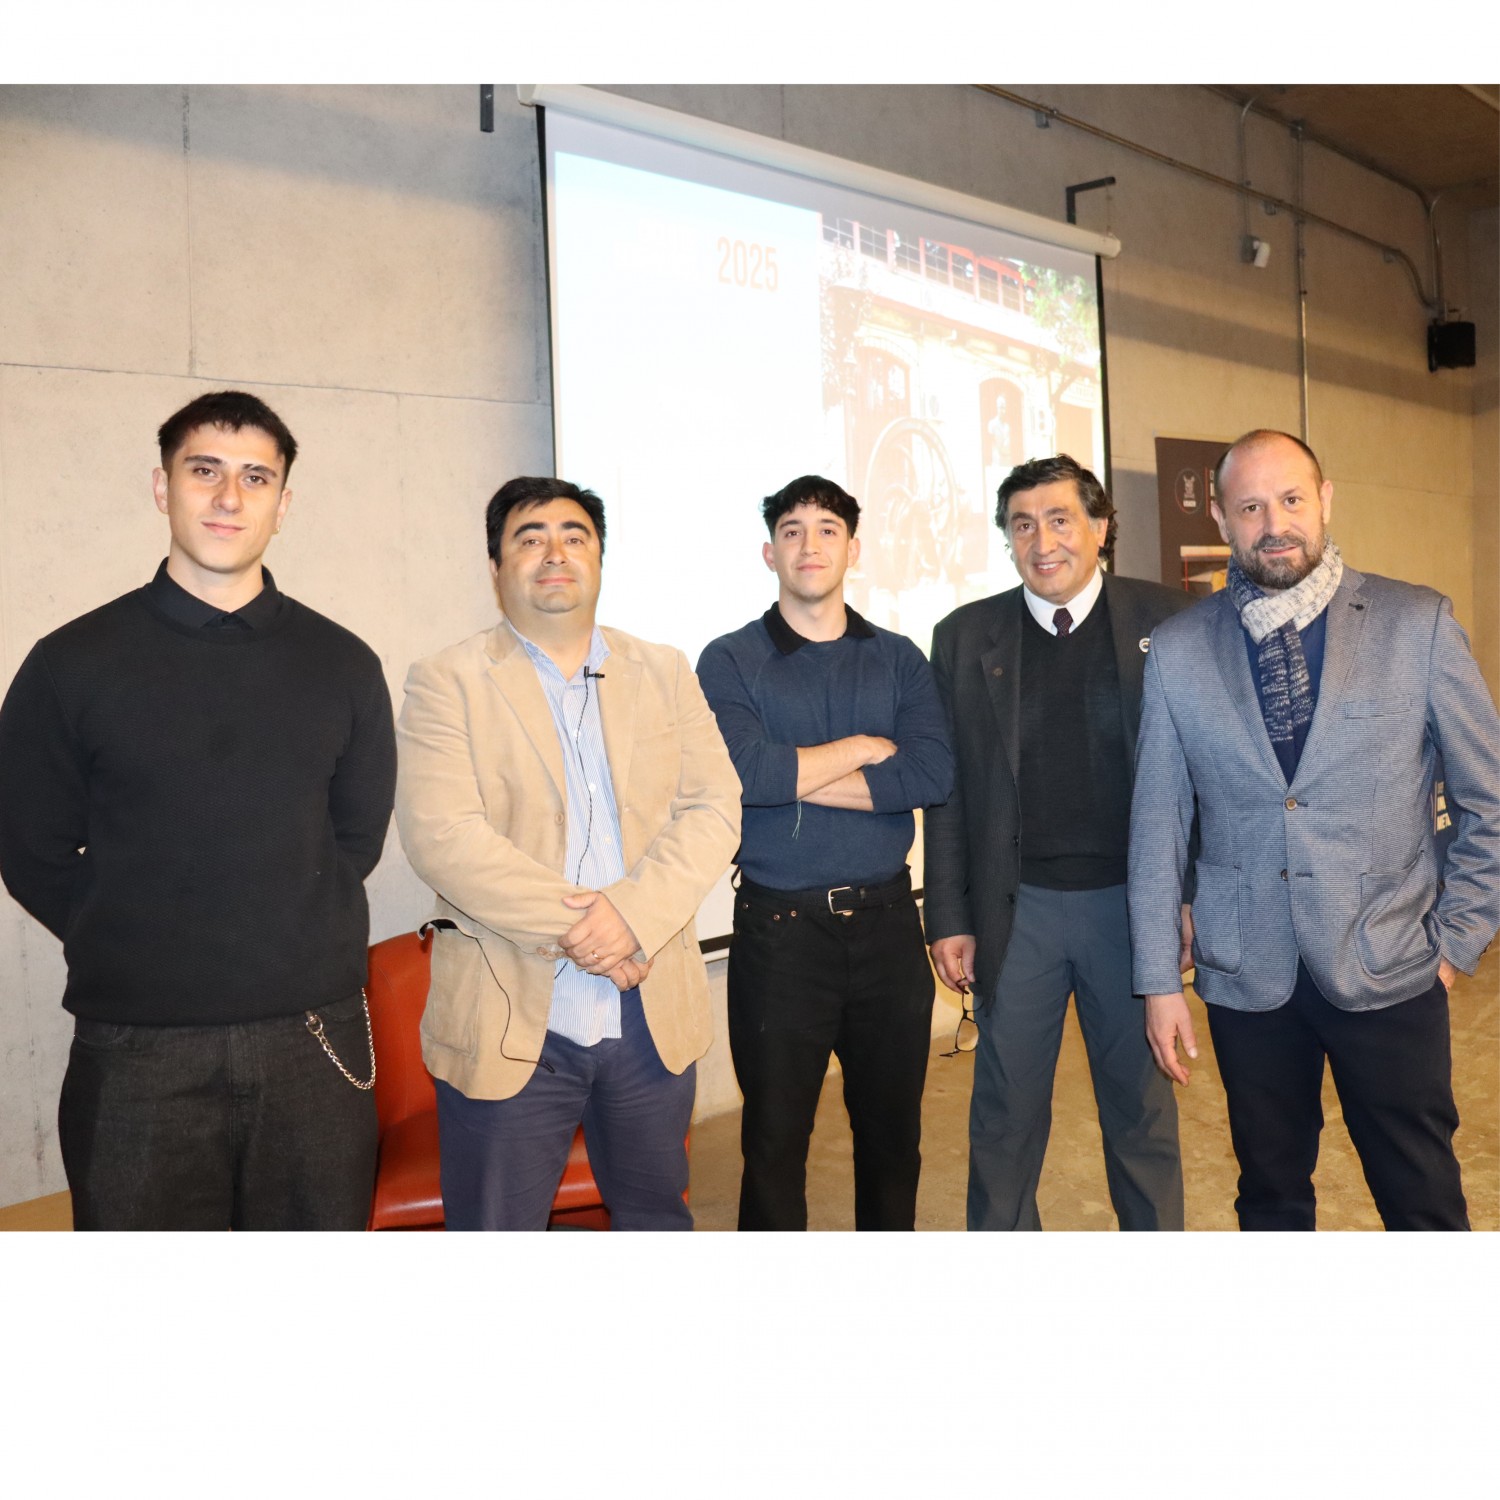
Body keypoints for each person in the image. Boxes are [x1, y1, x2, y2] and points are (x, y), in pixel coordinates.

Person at [0, 390, 396, 1230]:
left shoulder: (343, 664)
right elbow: (28, 846)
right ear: (162, 487)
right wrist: (127, 931)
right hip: (137, 1049)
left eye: (256, 477)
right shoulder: (70, 663)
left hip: (313, 1038)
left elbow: (354, 838)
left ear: (283, 503)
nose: (228, 497)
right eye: (204, 470)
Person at [1130, 429, 1499, 1231]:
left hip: (1391, 962)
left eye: (1292, 499)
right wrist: (1159, 981)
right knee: (1270, 1198)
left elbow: (1489, 800)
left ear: (1325, 500)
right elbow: (1158, 824)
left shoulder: (1416, 624)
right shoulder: (1179, 650)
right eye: (1251, 507)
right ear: (1221, 520)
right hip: (1246, 974)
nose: (1275, 525)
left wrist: (1455, 940)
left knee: (1423, 1200)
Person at [395, 476, 740, 1231]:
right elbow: (443, 835)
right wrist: (593, 929)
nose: (555, 552)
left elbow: (715, 807)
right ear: (496, 568)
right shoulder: (447, 680)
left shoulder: (665, 670)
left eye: (574, 536)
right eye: (530, 538)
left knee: (655, 1220)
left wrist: (633, 917)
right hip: (510, 1012)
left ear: (599, 560)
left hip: (651, 1013)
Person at [924, 454, 1189, 1231]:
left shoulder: (1171, 622)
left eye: (1061, 519)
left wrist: (1191, 898)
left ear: (1101, 528)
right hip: (1020, 912)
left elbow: (1207, 773)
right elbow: (950, 791)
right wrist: (949, 915)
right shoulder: (964, 636)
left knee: (1141, 1112)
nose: (1042, 542)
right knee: (1003, 1117)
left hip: (1130, 909)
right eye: (1022, 524)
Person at [696, 475, 953, 1230]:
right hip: (781, 935)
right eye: (793, 531)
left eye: (828, 530)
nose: (810, 545)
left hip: (888, 928)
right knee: (774, 1146)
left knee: (893, 1141)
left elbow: (930, 775)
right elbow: (744, 776)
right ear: (769, 553)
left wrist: (794, 774)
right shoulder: (729, 659)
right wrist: (866, 748)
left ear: (854, 549)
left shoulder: (900, 658)